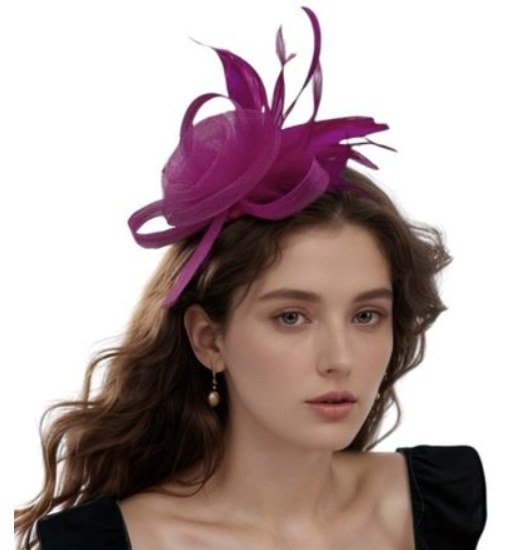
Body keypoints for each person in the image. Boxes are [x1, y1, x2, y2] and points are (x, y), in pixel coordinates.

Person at [14, 6, 487, 549]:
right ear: (208, 339)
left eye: (366, 315)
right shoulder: (111, 541)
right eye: (292, 317)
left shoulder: (437, 502)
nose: (341, 358)